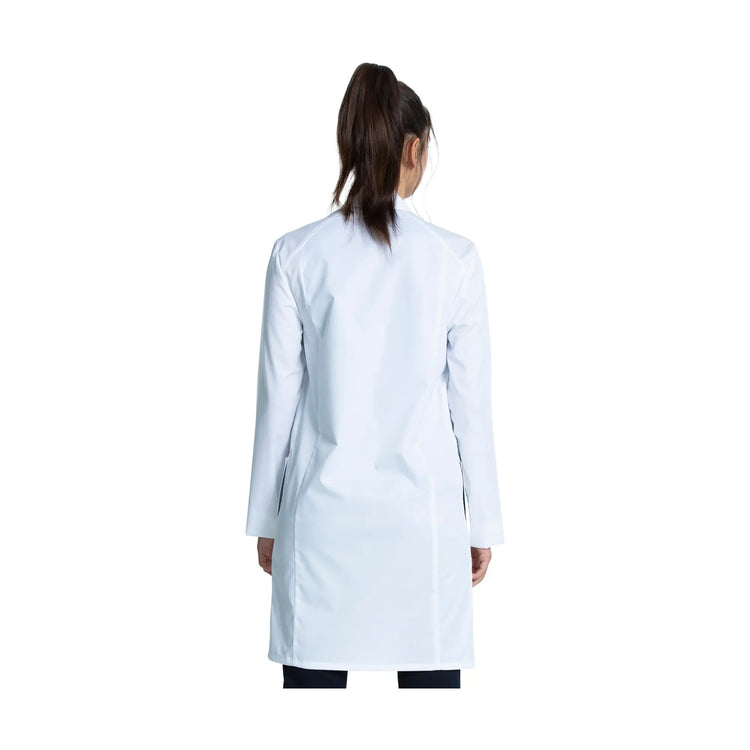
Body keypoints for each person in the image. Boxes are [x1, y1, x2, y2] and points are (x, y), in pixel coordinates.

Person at [245, 62, 505, 689]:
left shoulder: (296, 254)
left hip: (321, 523)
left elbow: (278, 401)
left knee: (310, 704)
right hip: (424, 526)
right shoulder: (454, 260)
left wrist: (267, 521)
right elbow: (470, 407)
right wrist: (482, 524)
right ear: (413, 149)